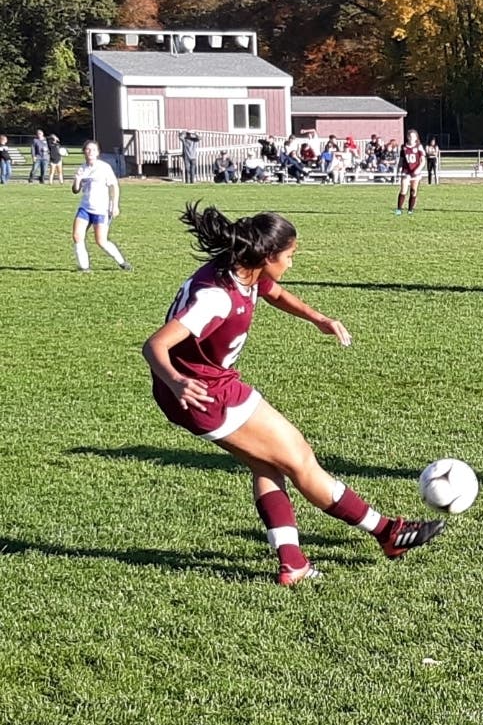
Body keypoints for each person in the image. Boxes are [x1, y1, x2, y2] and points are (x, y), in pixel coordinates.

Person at [142, 202, 446, 585]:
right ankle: (387, 531)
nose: (291, 263)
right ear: (267, 255)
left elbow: (275, 293)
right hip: (204, 393)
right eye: (289, 256)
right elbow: (155, 345)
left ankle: (293, 564)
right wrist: (176, 380)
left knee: (267, 464)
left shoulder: (244, 268)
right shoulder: (217, 297)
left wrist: (319, 318)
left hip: (199, 389)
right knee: (301, 460)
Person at [70, 140, 132, 273]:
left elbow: (114, 186)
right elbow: (75, 190)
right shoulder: (82, 168)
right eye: (87, 149)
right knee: (77, 236)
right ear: (84, 152)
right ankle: (84, 267)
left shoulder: (104, 167)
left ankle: (122, 262)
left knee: (101, 241)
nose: (90, 152)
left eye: (93, 150)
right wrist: (77, 180)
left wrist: (115, 205)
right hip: (85, 207)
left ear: (97, 153)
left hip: (101, 209)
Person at [396, 129, 425, 214]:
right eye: (410, 136)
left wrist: (418, 169)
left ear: (416, 137)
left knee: (413, 191)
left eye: (413, 136)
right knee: (403, 190)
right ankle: (399, 209)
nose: (411, 138)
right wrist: (398, 170)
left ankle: (410, 210)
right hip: (406, 171)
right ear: (407, 137)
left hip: (415, 171)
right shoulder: (404, 147)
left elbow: (423, 161)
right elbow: (401, 161)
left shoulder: (419, 147)